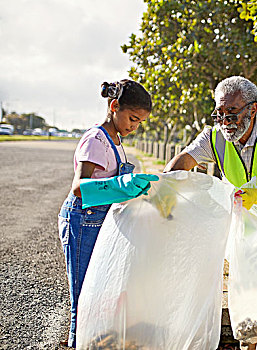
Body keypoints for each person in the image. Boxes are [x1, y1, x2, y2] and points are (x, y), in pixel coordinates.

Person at [164, 76, 257, 350]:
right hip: (247, 228)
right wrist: (166, 186)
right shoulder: (214, 137)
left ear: (253, 108)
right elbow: (185, 160)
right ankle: (248, 345)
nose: (225, 120)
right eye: (219, 113)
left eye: (232, 112)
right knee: (248, 287)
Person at [58, 79, 159, 347]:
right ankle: (78, 342)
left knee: (99, 287)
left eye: (140, 123)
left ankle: (97, 341)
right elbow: (79, 187)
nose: (134, 127)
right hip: (81, 220)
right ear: (114, 107)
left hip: (98, 221)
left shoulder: (115, 139)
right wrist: (119, 185)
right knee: (83, 294)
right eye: (132, 119)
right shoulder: (96, 139)